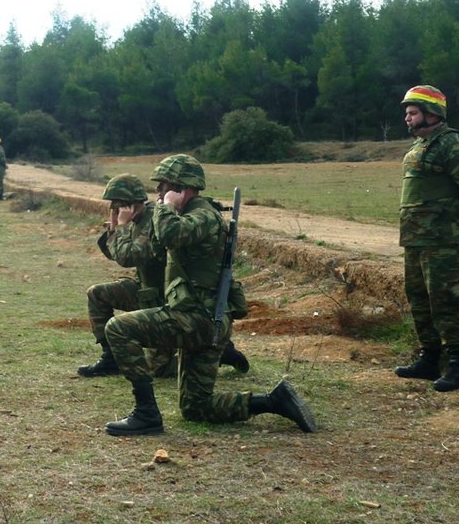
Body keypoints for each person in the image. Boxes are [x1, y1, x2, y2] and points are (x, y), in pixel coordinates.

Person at [103, 154, 316, 436]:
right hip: (201, 318)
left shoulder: (203, 215)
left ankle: (146, 414)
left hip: (198, 318)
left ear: (182, 188)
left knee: (118, 329)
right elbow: (150, 249)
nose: (158, 192)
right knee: (196, 407)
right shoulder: (183, 214)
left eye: (164, 185)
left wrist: (165, 207)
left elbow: (169, 236)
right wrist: (126, 225)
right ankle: (273, 401)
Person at [78, 174, 249, 378]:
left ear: (128, 204)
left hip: (165, 298)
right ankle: (110, 358)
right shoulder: (135, 220)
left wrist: (121, 229)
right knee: (97, 294)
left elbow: (128, 257)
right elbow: (115, 254)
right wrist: (115, 230)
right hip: (146, 291)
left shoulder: (153, 220)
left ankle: (217, 354)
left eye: (116, 206)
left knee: (157, 370)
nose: (114, 210)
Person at [394, 85, 459, 392]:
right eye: (406, 113)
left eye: (413, 112)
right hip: (416, 239)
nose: (407, 118)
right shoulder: (419, 147)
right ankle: (429, 358)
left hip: (445, 239)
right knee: (419, 300)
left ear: (432, 114)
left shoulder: (451, 143)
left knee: (447, 300)